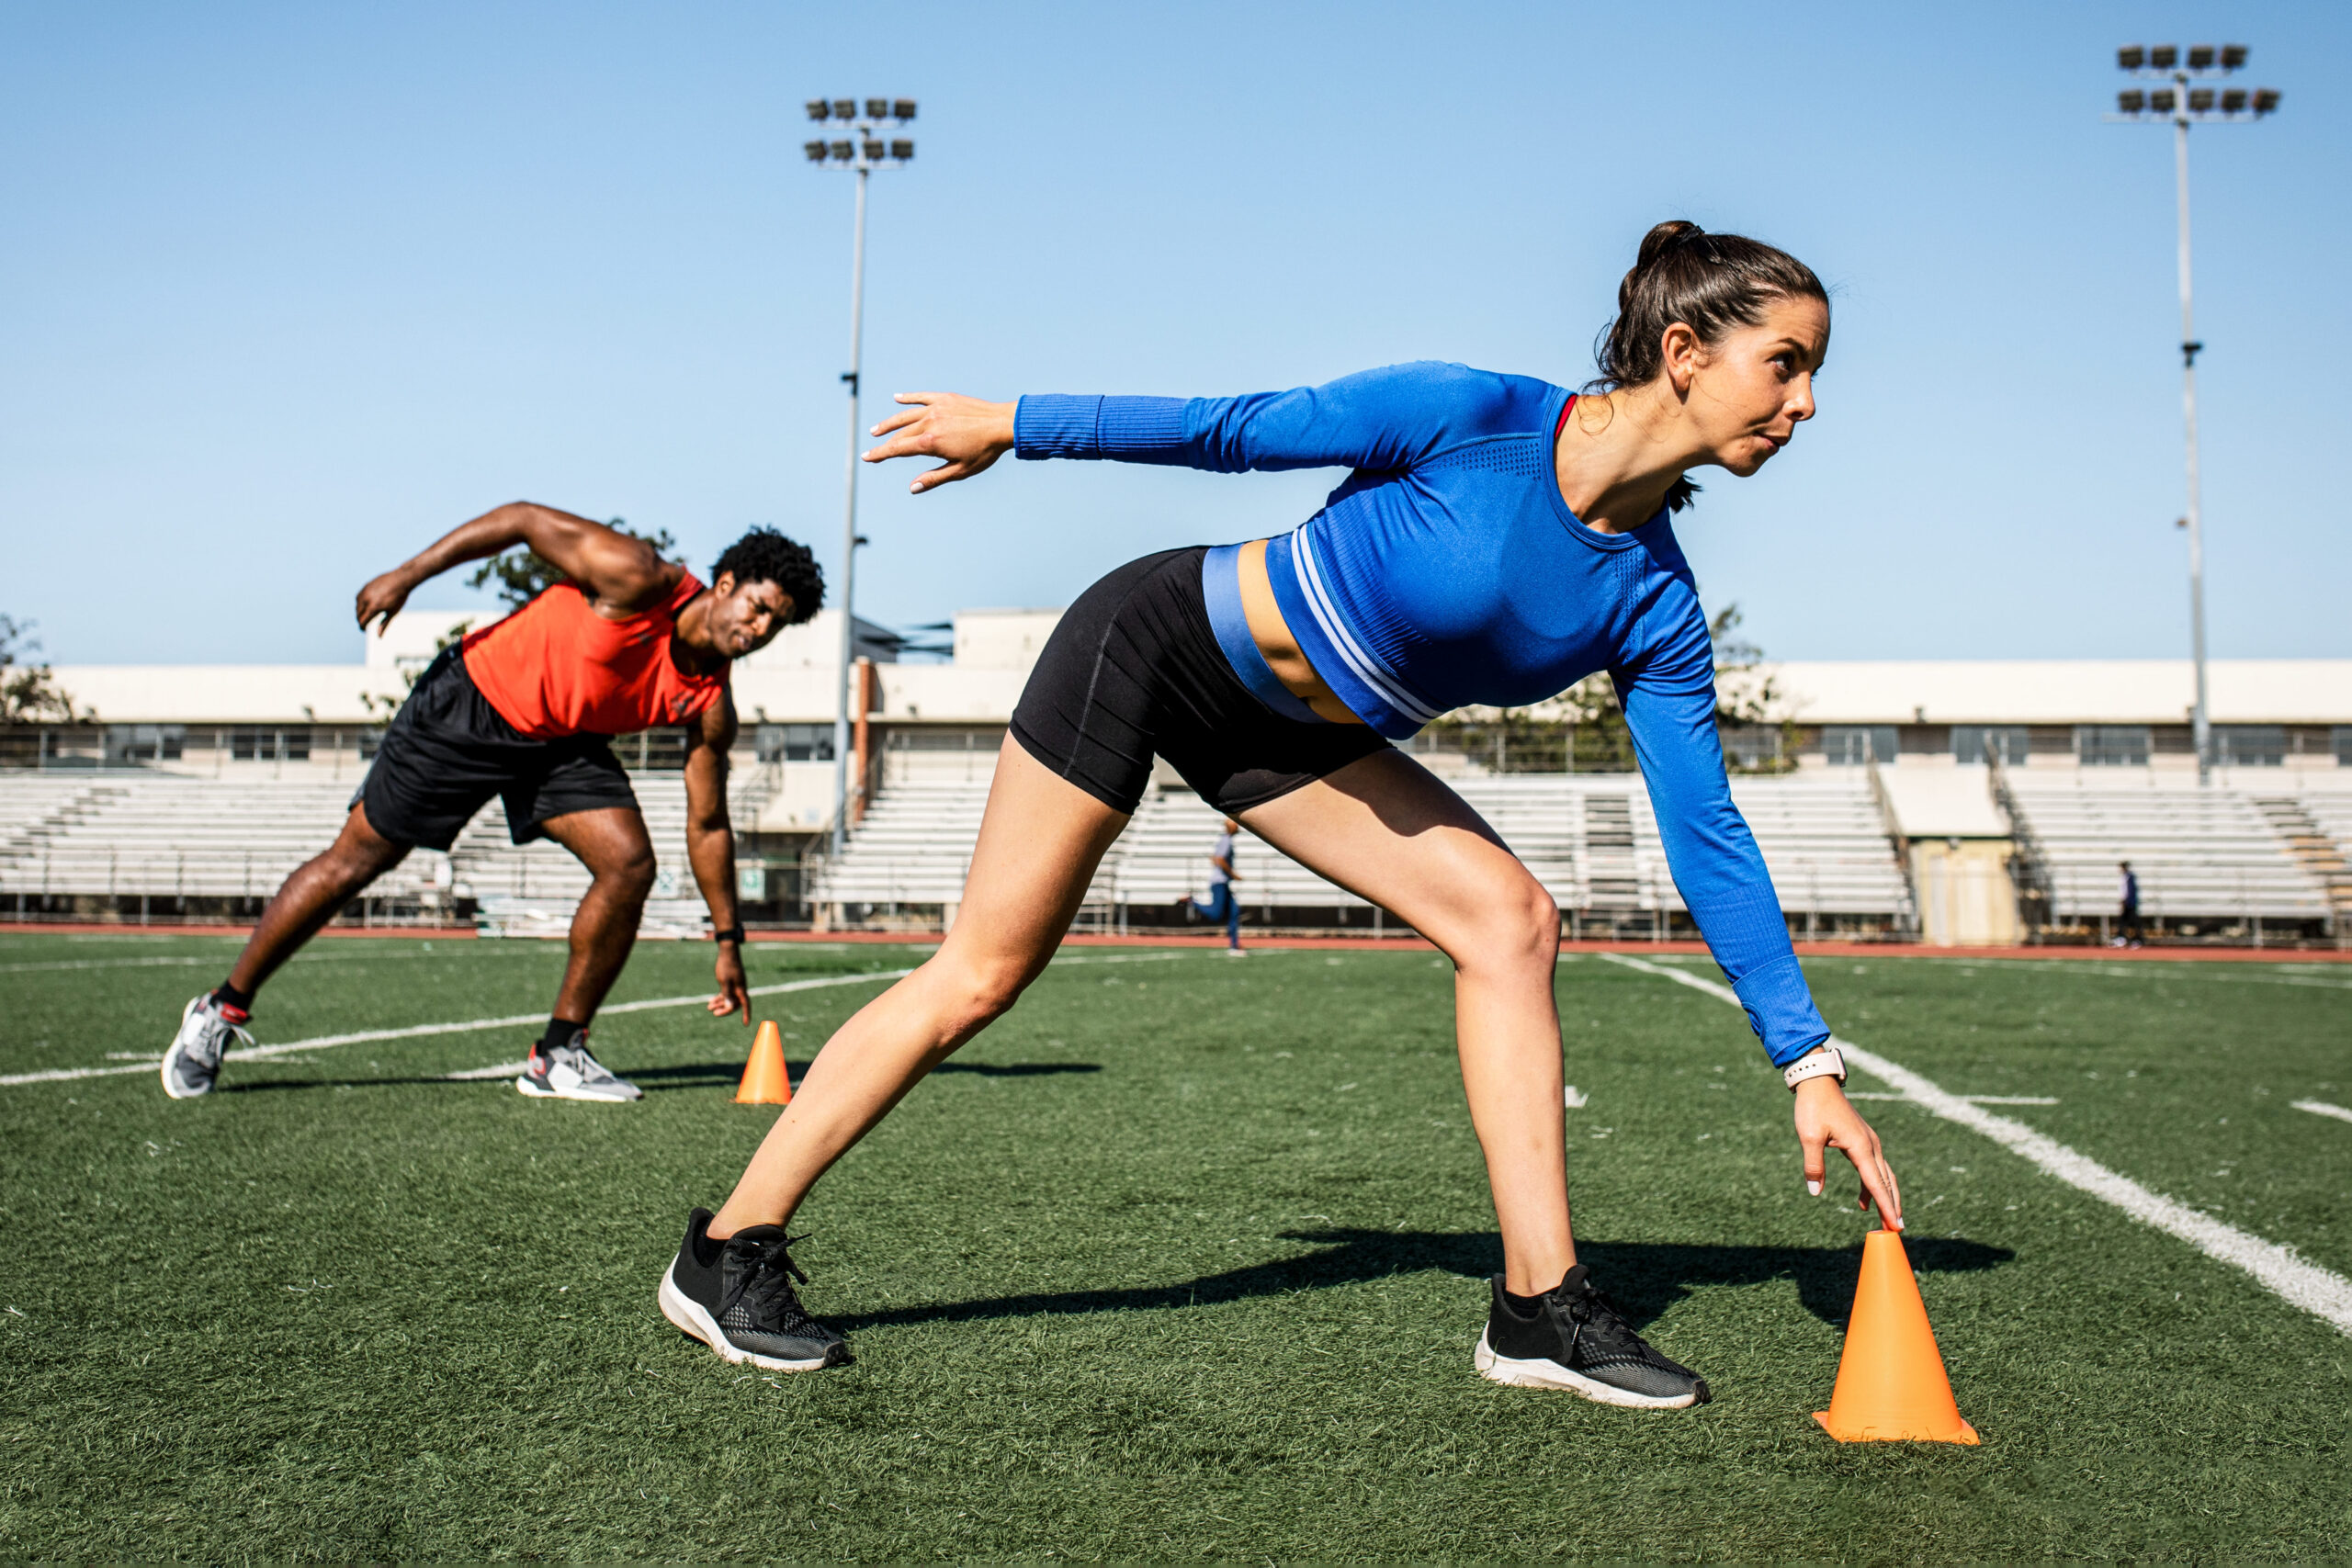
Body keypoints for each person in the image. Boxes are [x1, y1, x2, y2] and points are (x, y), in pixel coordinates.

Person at [655, 221, 1905, 1407]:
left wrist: (1808, 1058)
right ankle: (727, 1244)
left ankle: (1539, 1302)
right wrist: (1016, 424)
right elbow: (1235, 429)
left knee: (1511, 920)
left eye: (1813, 374)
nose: (1804, 404)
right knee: (982, 971)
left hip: (1292, 741)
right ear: (1686, 354)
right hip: (1152, 646)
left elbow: (1709, 831)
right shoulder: (1478, 415)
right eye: (1784, 364)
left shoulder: (1655, 602)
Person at [159, 506, 822, 1102]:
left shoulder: (710, 704)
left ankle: (559, 1052)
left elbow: (708, 823)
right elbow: (523, 520)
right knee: (355, 862)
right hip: (472, 702)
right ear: (728, 584)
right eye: (758, 608)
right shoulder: (637, 576)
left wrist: (728, 936)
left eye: (776, 625)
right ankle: (220, 1010)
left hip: (559, 739)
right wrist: (409, 573)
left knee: (628, 862)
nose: (760, 629)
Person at [1176, 815, 1246, 953]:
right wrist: (1233, 874)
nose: (1238, 826)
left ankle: (1234, 945)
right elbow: (1219, 859)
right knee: (1216, 914)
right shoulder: (1226, 841)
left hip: (1223, 882)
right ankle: (1191, 900)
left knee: (1234, 912)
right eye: (1235, 824)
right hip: (1219, 882)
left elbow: (1214, 858)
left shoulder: (1225, 840)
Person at [2117, 860, 2143, 948]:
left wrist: (2126, 901)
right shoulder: (2124, 877)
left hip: (2130, 903)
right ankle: (2122, 938)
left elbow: (2130, 891)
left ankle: (2137, 940)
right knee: (2123, 921)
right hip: (2127, 902)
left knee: (2133, 922)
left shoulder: (2130, 877)